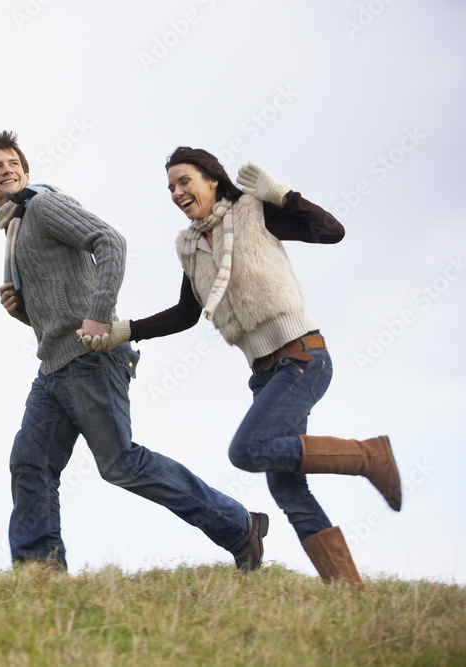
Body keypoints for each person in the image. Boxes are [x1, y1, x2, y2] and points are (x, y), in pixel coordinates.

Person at [90, 146, 401, 587]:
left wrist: (284, 195)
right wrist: (124, 332)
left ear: (211, 180)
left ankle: (369, 455)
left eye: (185, 181)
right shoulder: (191, 245)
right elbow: (185, 313)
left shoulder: (254, 213)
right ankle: (349, 591)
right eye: (171, 187)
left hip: (303, 357)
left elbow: (332, 232)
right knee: (287, 487)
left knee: (246, 451)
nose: (178, 192)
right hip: (266, 373)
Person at [0, 131, 267, 573]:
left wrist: (98, 315)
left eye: (13, 163)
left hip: (92, 358)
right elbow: (54, 311)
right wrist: (21, 311)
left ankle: (240, 526)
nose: (7, 170)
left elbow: (110, 241)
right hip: (54, 367)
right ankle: (39, 573)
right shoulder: (15, 231)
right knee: (29, 461)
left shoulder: (45, 206)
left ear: (26, 172)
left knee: (121, 464)